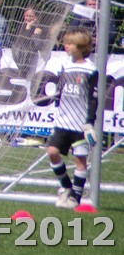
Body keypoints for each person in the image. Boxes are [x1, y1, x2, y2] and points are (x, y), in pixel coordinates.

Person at [47, 28, 99, 209]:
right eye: (65, 42)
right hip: (63, 121)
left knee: (80, 160)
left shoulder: (91, 69)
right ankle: (67, 188)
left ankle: (75, 198)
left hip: (79, 124)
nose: (65, 46)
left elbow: (93, 98)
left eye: (70, 43)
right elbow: (61, 90)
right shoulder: (65, 66)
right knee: (52, 152)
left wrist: (89, 123)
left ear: (81, 46)